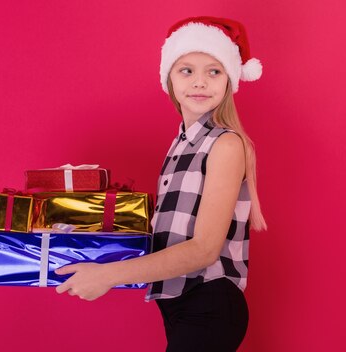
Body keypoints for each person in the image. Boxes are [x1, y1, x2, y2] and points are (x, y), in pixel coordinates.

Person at [54, 16, 267, 351]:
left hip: (208, 305)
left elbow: (203, 250)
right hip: (180, 306)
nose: (200, 82)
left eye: (214, 71)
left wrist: (107, 275)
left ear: (229, 80)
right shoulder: (181, 143)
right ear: (168, 78)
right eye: (187, 70)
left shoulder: (225, 144)